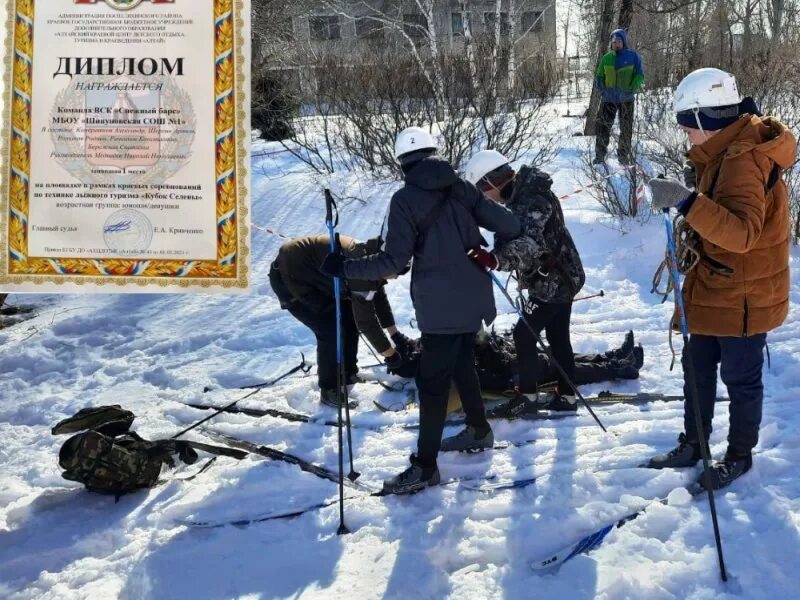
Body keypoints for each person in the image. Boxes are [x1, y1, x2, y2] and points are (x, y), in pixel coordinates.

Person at [321, 127, 521, 494]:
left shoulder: (404, 200)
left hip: (439, 306)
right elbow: (510, 223)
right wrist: (483, 251)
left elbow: (393, 262)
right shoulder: (462, 188)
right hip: (474, 296)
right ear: (435, 153)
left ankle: (425, 467)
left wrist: (344, 268)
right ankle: (479, 428)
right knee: (462, 363)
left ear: (403, 163)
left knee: (432, 386)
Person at [646, 68, 796, 490]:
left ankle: (739, 455)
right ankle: (695, 443)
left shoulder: (743, 159)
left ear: (704, 120)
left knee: (740, 379)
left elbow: (742, 234)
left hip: (743, 294)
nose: (685, 137)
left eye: (686, 127)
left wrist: (687, 201)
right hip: (715, 286)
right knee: (698, 369)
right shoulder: (724, 152)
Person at [464, 150, 586, 419]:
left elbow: (530, 244)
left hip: (555, 281)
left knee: (524, 334)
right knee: (557, 335)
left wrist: (495, 260)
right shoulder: (523, 194)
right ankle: (566, 395)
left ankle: (527, 397)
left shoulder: (531, 199)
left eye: (483, 191)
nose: (485, 197)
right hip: (560, 274)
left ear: (491, 182)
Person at [269, 235, 414, 408]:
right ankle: (329, 390)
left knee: (348, 318)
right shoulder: (363, 268)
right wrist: (390, 354)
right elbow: (366, 322)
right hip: (292, 281)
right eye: (397, 272)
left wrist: (395, 335)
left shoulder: (374, 260)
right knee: (330, 330)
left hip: (316, 276)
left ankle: (347, 373)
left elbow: (378, 299)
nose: (396, 278)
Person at [594, 28, 644, 165]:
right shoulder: (606, 58)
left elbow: (639, 75)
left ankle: (623, 157)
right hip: (608, 99)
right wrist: (603, 91)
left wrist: (633, 87)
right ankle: (599, 156)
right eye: (614, 41)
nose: (616, 43)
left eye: (619, 41)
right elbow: (599, 76)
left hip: (626, 100)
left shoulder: (633, 56)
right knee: (603, 128)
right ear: (611, 43)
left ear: (624, 42)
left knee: (626, 129)